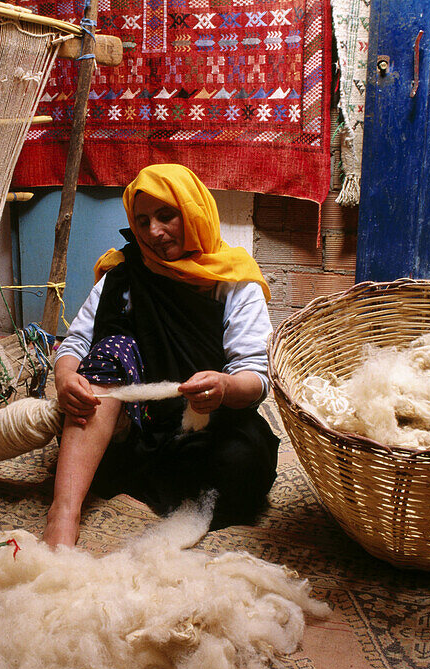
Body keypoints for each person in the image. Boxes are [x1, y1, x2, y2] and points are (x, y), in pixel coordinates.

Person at [44, 163, 280, 547]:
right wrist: (65, 377)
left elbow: (256, 376)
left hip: (204, 426)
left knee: (245, 467)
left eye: (166, 215)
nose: (153, 232)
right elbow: (75, 343)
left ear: (193, 212)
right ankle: (63, 513)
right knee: (111, 351)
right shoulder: (124, 272)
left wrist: (224, 387)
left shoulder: (233, 279)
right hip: (134, 423)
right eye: (142, 221)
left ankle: (138, 468)